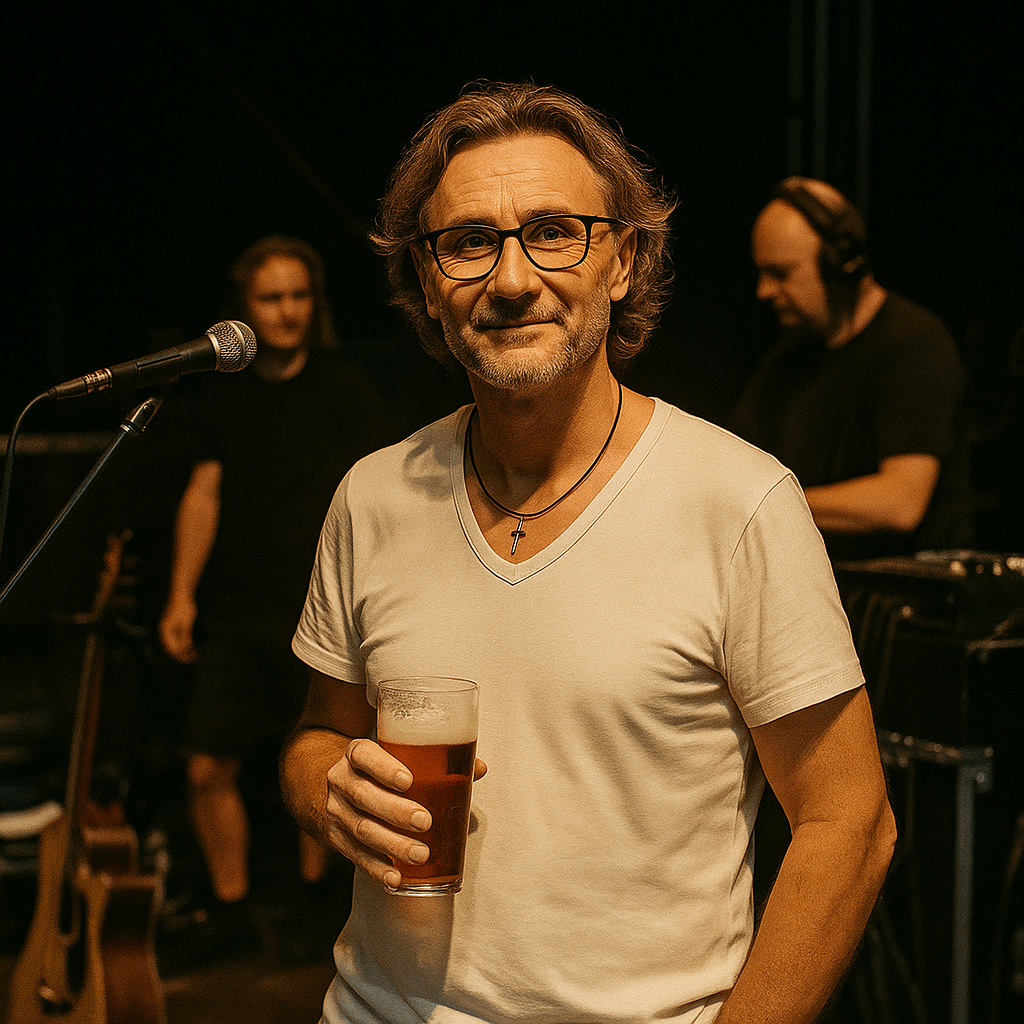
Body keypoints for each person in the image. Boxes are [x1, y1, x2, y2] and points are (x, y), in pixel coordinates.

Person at [280, 82, 896, 1023]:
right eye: (469, 242)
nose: (512, 279)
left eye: (554, 232)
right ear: (428, 281)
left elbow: (848, 822)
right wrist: (329, 791)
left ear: (622, 260)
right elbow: (317, 735)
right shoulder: (372, 497)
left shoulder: (738, 504)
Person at [158, 235, 396, 964]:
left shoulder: (347, 392)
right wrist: (180, 597)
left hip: (322, 614)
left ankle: (314, 905)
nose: (287, 311)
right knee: (206, 764)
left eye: (299, 295)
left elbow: (381, 505)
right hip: (238, 608)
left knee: (322, 754)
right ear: (245, 306)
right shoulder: (221, 394)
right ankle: (231, 907)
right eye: (271, 297)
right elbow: (203, 494)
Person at [729, 176, 973, 562]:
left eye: (781, 273)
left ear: (841, 263)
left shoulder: (914, 344)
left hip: (899, 590)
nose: (764, 291)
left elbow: (900, 502)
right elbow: (735, 464)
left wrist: (766, 502)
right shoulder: (786, 359)